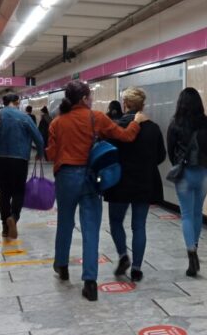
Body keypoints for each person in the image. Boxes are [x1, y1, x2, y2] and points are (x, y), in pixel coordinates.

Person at [46, 80, 147, 301]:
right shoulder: (96, 118)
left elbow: (51, 154)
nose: (92, 99)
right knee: (90, 229)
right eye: (90, 95)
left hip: (65, 177)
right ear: (83, 99)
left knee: (65, 223)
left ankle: (61, 265)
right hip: (90, 178)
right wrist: (137, 121)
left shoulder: (57, 122)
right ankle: (90, 282)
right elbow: (126, 136)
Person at [104, 87, 166, 282]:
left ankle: (123, 255)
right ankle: (137, 268)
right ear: (142, 105)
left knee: (116, 222)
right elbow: (161, 156)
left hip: (119, 182)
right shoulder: (153, 128)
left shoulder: (116, 126)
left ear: (126, 104)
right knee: (139, 226)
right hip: (144, 182)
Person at [0, 94, 44, 240]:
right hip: (19, 160)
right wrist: (40, 152)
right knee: (18, 191)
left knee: (4, 193)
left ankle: (5, 228)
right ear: (17, 102)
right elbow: (38, 138)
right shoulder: (25, 117)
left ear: (4, 102)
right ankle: (13, 217)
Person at [166, 87, 207, 277]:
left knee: (186, 214)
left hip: (184, 173)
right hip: (204, 173)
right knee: (197, 212)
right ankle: (195, 245)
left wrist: (178, 164)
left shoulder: (175, 124)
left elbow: (170, 150)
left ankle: (191, 254)